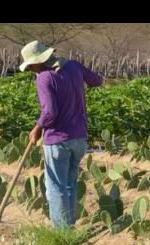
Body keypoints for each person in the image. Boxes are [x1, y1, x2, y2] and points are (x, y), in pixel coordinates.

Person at [19, 40, 103, 229]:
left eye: (31, 65)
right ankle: (69, 227)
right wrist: (75, 79)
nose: (31, 69)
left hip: (57, 140)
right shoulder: (73, 66)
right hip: (79, 139)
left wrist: (37, 128)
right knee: (70, 184)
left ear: (40, 61)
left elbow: (50, 112)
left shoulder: (44, 77)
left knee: (56, 188)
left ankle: (61, 231)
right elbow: (97, 80)